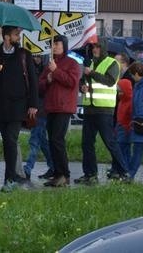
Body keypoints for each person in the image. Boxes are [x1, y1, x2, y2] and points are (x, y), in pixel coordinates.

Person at [0, 25, 39, 191]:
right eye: (15, 34)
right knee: (7, 142)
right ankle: (11, 177)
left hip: (18, 106)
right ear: (6, 37)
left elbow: (33, 81)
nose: (18, 37)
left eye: (19, 34)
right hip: (0, 106)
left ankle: (9, 179)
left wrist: (33, 104)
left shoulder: (23, 55)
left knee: (11, 140)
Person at [76, 37, 129, 184]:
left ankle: (124, 172)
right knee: (87, 143)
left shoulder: (112, 63)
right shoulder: (91, 63)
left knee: (110, 142)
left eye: (98, 47)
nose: (95, 49)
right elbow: (83, 80)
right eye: (93, 47)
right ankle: (90, 174)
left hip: (104, 110)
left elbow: (109, 81)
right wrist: (82, 86)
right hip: (89, 109)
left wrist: (91, 73)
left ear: (104, 48)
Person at [38, 35, 82, 188]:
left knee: (57, 140)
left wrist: (56, 72)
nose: (54, 47)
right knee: (52, 141)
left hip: (64, 107)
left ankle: (64, 174)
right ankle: (57, 173)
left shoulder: (72, 63)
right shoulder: (50, 63)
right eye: (52, 44)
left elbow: (72, 82)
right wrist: (48, 79)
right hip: (51, 107)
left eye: (56, 44)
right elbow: (40, 85)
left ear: (64, 45)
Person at [23, 53, 55, 181]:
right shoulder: (31, 70)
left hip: (42, 110)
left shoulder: (46, 72)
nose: (36, 59)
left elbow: (41, 90)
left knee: (35, 140)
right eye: (34, 56)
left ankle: (28, 169)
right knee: (42, 141)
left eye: (39, 57)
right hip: (36, 110)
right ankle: (53, 166)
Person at [111, 53, 134, 175]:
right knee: (119, 144)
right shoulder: (121, 75)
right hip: (119, 115)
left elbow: (126, 96)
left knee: (121, 145)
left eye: (116, 61)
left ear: (124, 63)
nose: (114, 64)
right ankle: (118, 168)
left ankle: (122, 169)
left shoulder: (128, 77)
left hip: (124, 118)